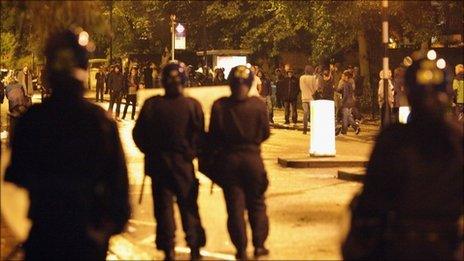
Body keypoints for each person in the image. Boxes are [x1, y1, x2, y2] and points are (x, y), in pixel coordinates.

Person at [4, 29, 130, 261]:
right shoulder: (100, 122)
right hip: (87, 239)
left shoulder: (33, 121)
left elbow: (16, 174)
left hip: (44, 238)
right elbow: (120, 196)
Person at [342, 57, 463, 260]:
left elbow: (371, 198)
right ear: (448, 92)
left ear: (408, 92)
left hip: (402, 245)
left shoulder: (393, 138)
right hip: (447, 245)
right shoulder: (457, 138)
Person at [133, 62, 206, 260]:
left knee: (164, 210)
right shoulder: (192, 105)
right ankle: (194, 247)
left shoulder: (152, 105)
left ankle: (168, 250)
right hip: (183, 164)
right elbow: (201, 137)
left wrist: (150, 151)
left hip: (159, 166)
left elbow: (138, 135)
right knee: (189, 206)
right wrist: (192, 153)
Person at [207, 65, 270, 260]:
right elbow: (265, 133)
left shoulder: (220, 105)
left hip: (229, 161)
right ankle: (259, 245)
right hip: (252, 159)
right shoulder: (258, 105)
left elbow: (213, 137)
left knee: (235, 208)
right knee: (257, 204)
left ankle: (241, 249)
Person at [4, 71, 31, 144]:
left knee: (14, 119)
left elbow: (7, 96)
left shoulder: (7, 87)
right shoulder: (20, 85)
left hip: (13, 106)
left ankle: (15, 137)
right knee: (22, 116)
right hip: (22, 104)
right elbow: (24, 94)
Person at [337, 70, 360, 135]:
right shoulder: (350, 83)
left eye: (343, 76)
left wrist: (342, 102)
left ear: (346, 77)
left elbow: (346, 95)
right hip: (351, 102)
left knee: (346, 116)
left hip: (346, 103)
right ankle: (345, 130)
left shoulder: (346, 84)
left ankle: (353, 128)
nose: (342, 77)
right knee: (347, 116)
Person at [299, 65, 318, 134]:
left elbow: (301, 88)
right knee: (313, 114)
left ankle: (305, 129)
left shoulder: (301, 78)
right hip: (311, 98)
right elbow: (315, 88)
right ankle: (313, 129)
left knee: (305, 113)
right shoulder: (313, 78)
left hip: (304, 97)